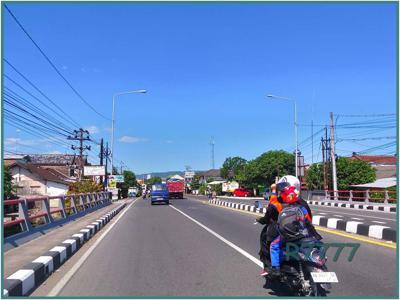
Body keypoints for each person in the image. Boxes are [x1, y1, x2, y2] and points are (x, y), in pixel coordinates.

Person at [257, 176, 320, 278]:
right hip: (304, 232)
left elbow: (271, 208)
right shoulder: (302, 203)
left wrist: (273, 190)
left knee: (273, 245)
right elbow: (309, 219)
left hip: (287, 232)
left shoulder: (279, 203)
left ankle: (275, 268)